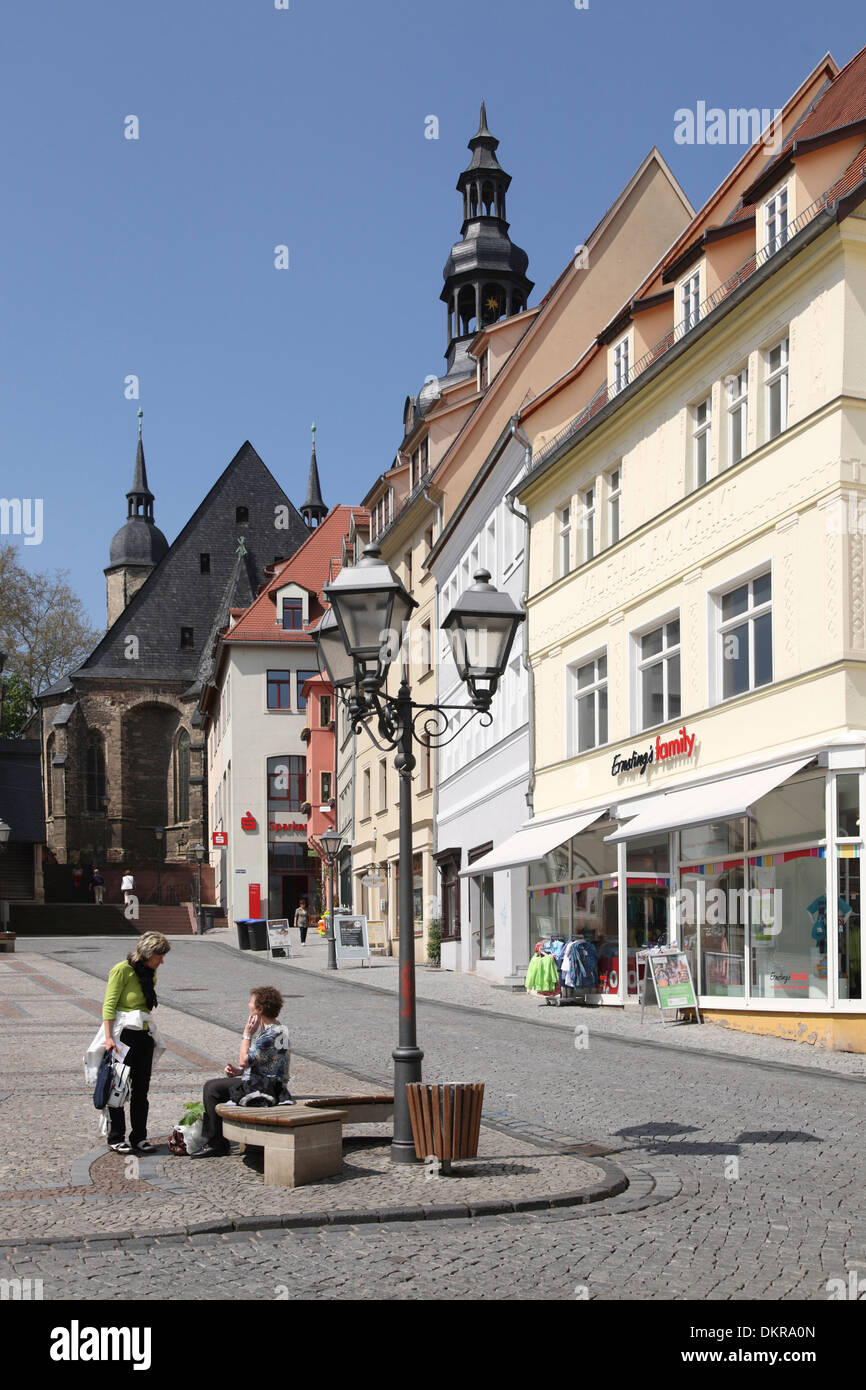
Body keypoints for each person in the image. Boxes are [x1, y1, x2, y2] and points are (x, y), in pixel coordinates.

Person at [194, 986, 291, 1159]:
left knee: (212, 1089)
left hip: (266, 1089)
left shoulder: (271, 1035)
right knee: (215, 1087)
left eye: (251, 1002)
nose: (248, 1005)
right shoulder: (276, 1030)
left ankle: (217, 1143)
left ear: (259, 1009)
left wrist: (246, 1035)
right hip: (264, 1083)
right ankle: (217, 1140)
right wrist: (240, 1071)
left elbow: (244, 1059)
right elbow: (260, 1063)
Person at [101, 931, 170, 1154]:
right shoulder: (122, 970)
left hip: (144, 1036)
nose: (162, 961)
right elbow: (109, 1004)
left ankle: (139, 1137)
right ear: (148, 953)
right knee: (118, 1087)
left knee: (141, 1090)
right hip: (123, 1036)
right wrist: (109, 1037)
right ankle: (116, 1137)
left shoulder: (150, 973)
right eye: (159, 956)